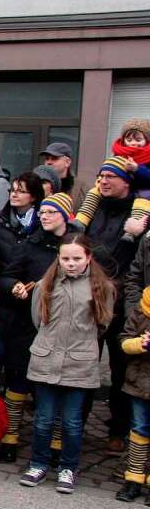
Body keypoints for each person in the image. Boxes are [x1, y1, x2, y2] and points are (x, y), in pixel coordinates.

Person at [19, 234, 114, 493]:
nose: (70, 263)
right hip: (46, 358)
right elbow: (38, 319)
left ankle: (68, 467)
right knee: (44, 419)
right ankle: (38, 463)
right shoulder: (46, 284)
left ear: (88, 258)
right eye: (65, 258)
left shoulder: (100, 287)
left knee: (72, 422)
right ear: (58, 259)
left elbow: (102, 325)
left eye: (76, 258)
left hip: (79, 362)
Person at [0, 193, 75, 463]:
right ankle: (10, 436)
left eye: (51, 212)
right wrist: (13, 286)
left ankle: (55, 442)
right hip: (26, 323)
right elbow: (7, 275)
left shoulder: (78, 245)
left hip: (62, 327)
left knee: (57, 386)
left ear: (65, 216)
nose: (44, 216)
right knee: (17, 380)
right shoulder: (30, 244)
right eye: (42, 212)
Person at [85, 158, 147, 452]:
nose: (104, 181)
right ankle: (77, 422)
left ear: (126, 182)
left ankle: (119, 429)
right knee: (85, 363)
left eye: (110, 176)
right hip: (90, 300)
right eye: (101, 175)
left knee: (121, 369)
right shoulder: (92, 208)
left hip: (123, 305)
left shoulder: (140, 213)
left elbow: (131, 265)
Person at [116, 284, 150, 503]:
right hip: (140, 381)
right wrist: (141, 344)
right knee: (139, 428)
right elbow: (124, 340)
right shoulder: (142, 308)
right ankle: (134, 478)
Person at [0, 171, 43, 275]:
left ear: (34, 197)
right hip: (0, 281)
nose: (14, 194)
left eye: (21, 191)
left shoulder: (43, 222)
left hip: (29, 284)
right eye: (12, 190)